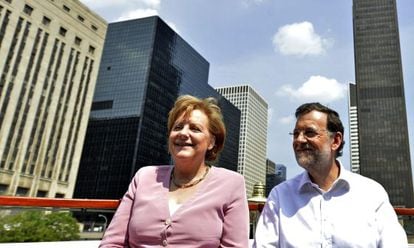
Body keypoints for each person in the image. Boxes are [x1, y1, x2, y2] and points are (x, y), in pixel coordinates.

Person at [100, 95, 249, 248]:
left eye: (195, 128)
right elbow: (112, 243)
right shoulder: (144, 177)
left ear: (211, 142)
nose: (183, 133)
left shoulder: (232, 184)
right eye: (177, 127)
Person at [253, 102, 408, 247]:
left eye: (309, 132)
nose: (299, 140)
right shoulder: (279, 196)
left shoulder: (372, 193)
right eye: (295, 134)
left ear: (336, 141)